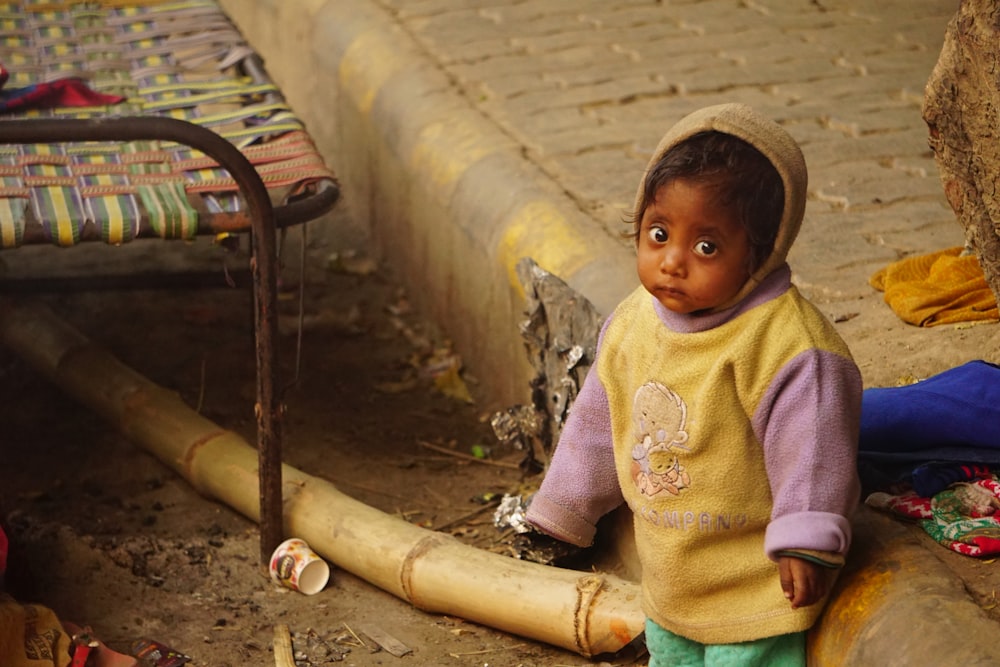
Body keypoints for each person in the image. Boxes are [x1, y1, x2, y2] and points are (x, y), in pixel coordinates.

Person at [524, 102, 862, 667]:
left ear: (762, 250)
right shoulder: (633, 323)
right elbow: (598, 423)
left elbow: (812, 446)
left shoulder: (789, 347)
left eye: (707, 246)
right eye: (658, 234)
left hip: (757, 585)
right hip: (672, 580)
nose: (673, 261)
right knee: (669, 656)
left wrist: (805, 538)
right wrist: (566, 508)